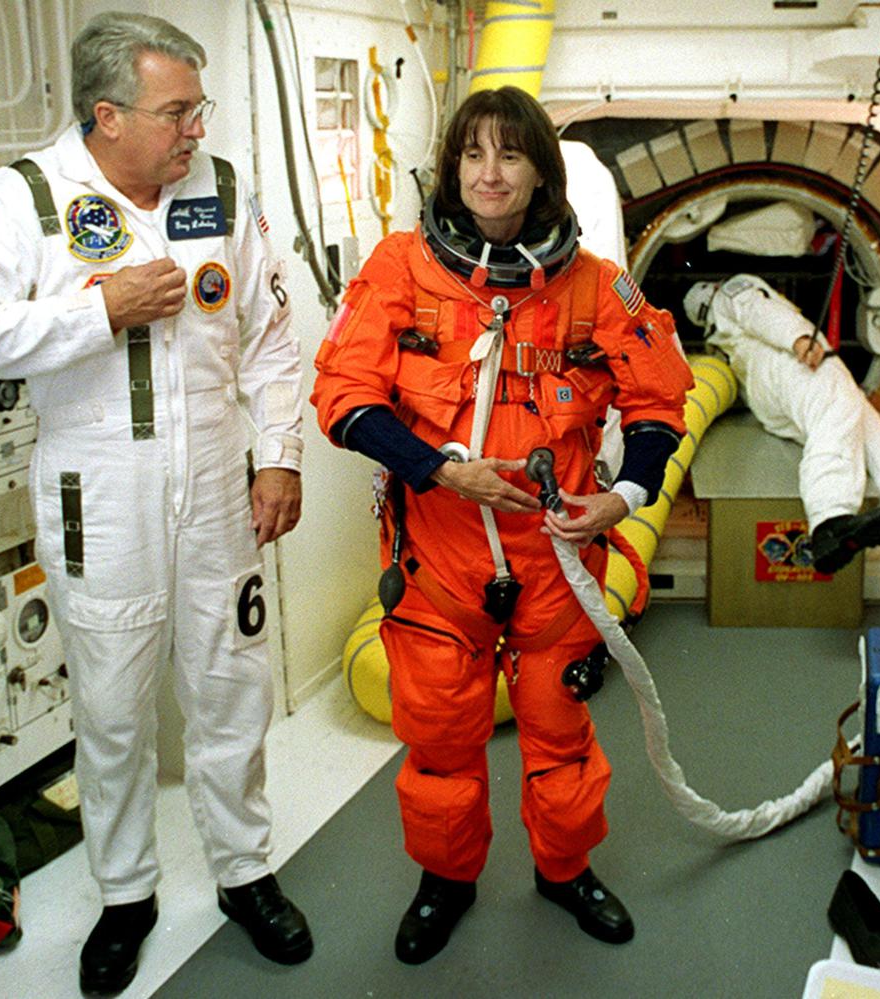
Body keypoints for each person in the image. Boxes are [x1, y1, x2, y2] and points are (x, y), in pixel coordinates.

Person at [0, 13, 311, 994]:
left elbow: (269, 335)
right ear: (106, 115)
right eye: (176, 111)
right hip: (100, 501)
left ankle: (244, 873)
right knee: (111, 715)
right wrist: (98, 310)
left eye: (197, 107)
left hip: (220, 492)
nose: (195, 128)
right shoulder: (27, 199)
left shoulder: (220, 190)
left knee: (231, 693)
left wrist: (279, 457)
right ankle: (127, 895)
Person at [311, 86, 693, 964]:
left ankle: (565, 873)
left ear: (540, 174)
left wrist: (626, 497)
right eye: (473, 155)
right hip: (440, 565)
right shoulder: (401, 269)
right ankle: (445, 881)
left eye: (510, 155)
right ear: (451, 170)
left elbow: (658, 401)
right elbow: (344, 397)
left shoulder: (596, 286)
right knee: (443, 745)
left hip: (558, 560)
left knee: (560, 739)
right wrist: (442, 469)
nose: (490, 173)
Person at [683, 275, 880, 586]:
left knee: (879, 450)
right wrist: (798, 339)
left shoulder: (720, 343)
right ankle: (830, 521)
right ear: (711, 291)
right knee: (832, 424)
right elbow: (760, 312)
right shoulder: (730, 294)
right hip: (786, 363)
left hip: (766, 394)